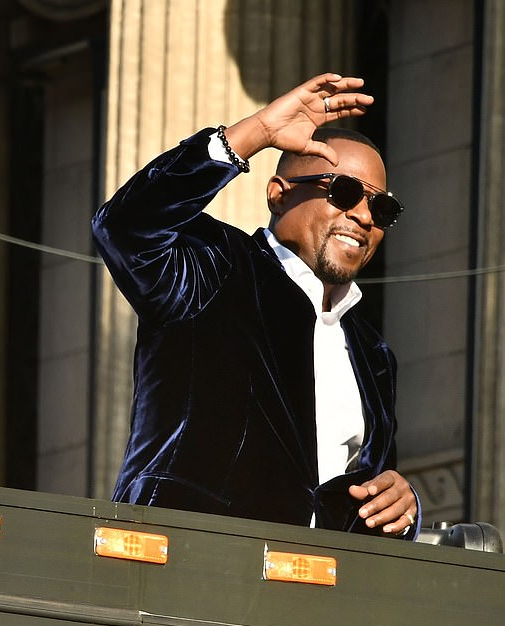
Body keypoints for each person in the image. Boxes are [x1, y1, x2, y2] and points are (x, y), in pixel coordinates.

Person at [92, 73, 419, 537]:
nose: (364, 217)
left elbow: (362, 493)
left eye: (381, 208)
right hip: (184, 568)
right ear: (278, 193)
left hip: (314, 594)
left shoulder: (373, 354)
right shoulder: (216, 268)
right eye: (343, 192)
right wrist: (253, 134)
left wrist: (400, 504)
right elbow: (124, 226)